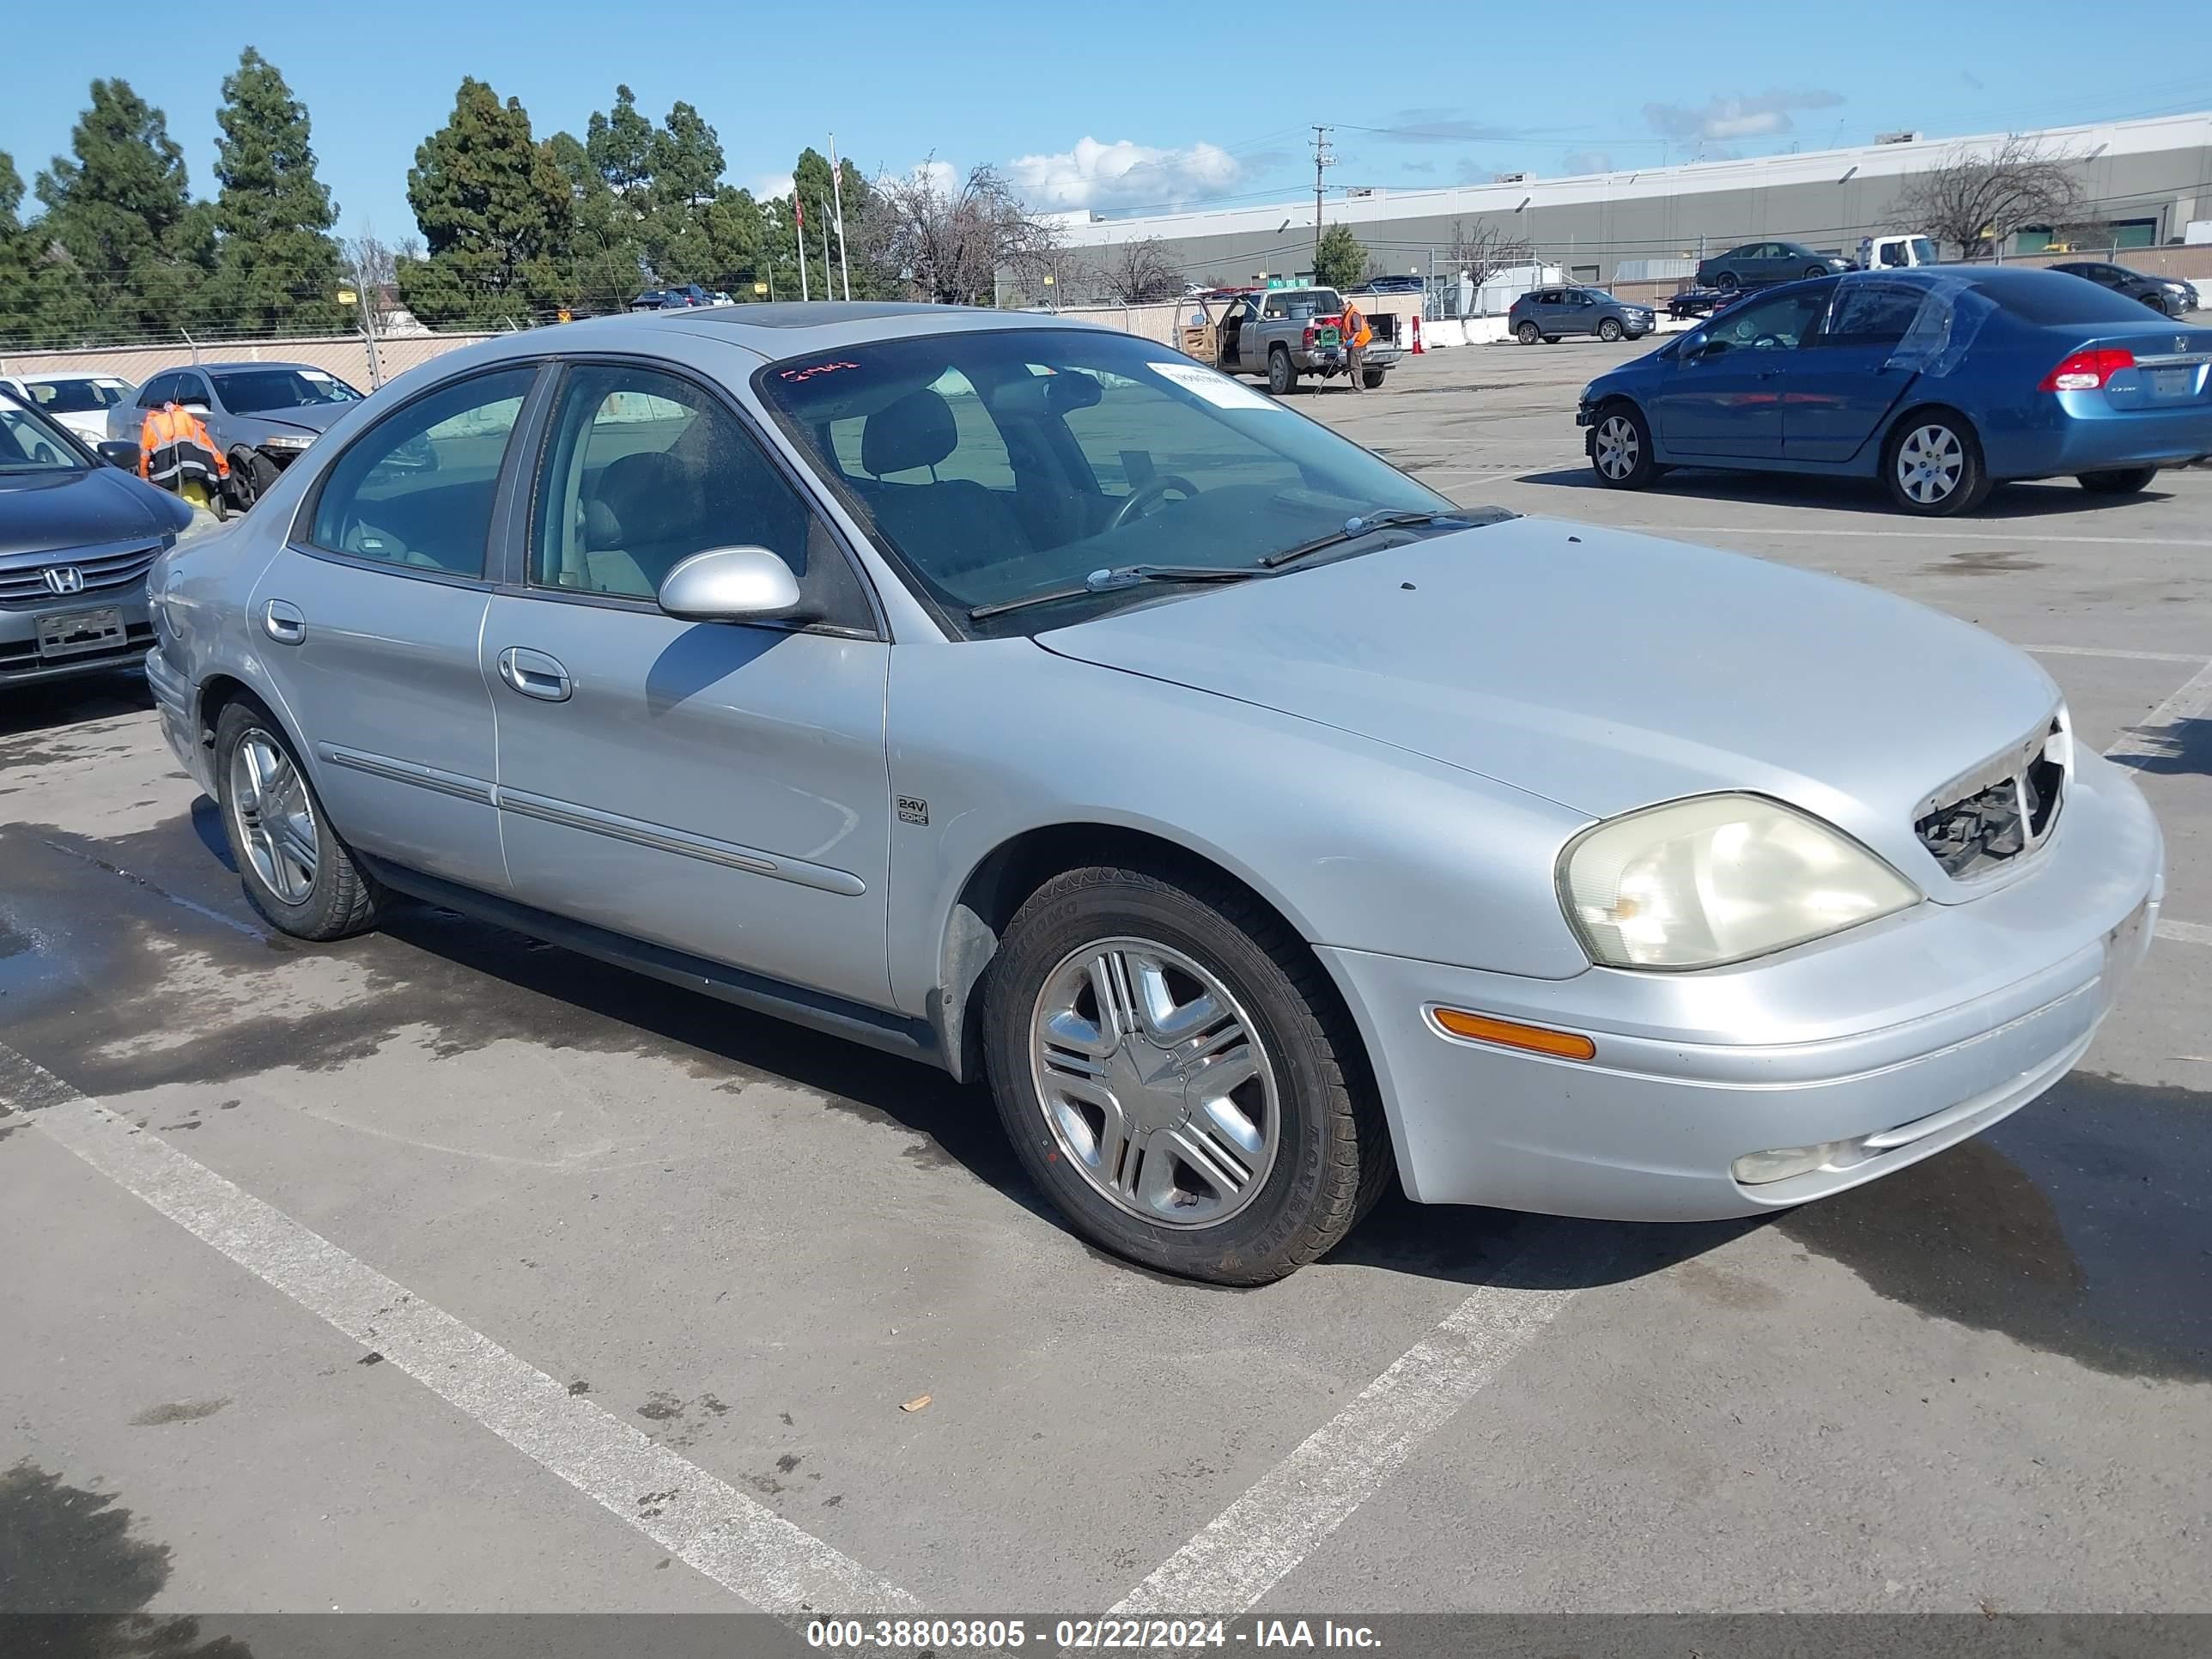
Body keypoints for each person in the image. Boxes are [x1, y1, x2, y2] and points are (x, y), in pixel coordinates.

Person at [139, 399, 232, 518]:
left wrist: (145, 483)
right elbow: (214, 452)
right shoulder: (190, 420)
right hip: (199, 473)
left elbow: (144, 458)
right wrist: (225, 486)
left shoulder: (151, 425)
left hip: (165, 478)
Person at [1341, 296, 1372, 392]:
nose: (1341, 309)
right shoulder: (1348, 313)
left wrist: (1352, 340)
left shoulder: (1354, 313)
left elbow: (1358, 330)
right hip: (1352, 343)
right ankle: (1358, 385)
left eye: (1343, 306)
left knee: (1355, 365)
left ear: (1348, 304)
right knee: (1352, 364)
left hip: (1357, 342)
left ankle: (1358, 387)